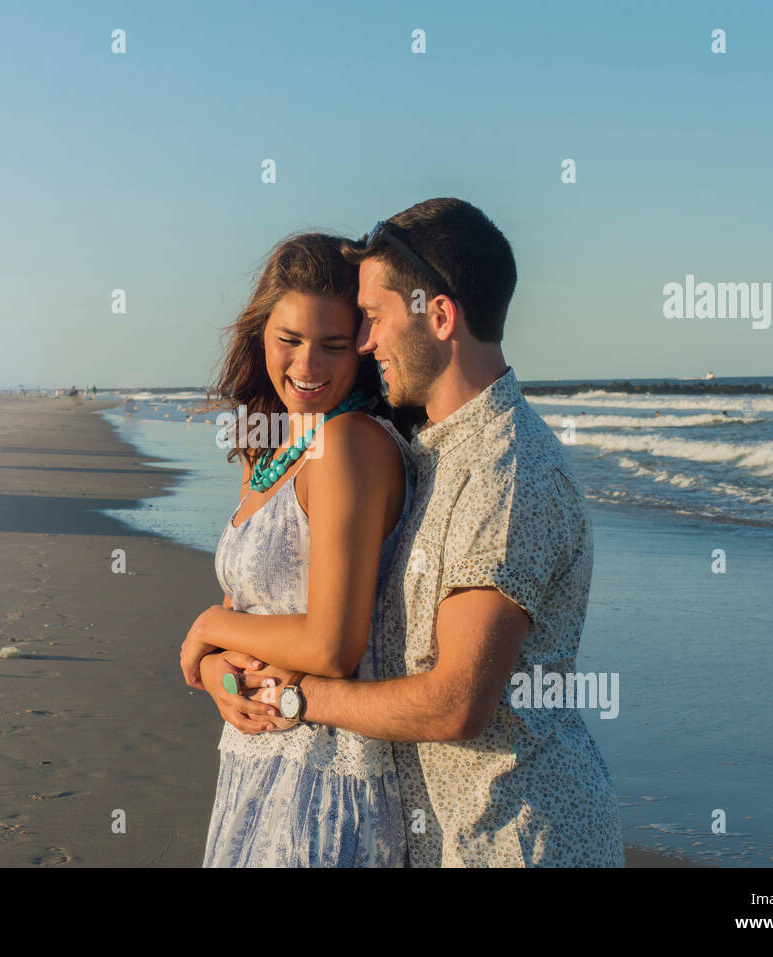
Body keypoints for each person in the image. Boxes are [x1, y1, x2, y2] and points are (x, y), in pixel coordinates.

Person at [200, 198, 625, 867]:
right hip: (444, 835)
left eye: (370, 321)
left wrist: (289, 694)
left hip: (515, 839)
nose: (364, 342)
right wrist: (225, 664)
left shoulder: (505, 475)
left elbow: (455, 704)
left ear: (441, 315)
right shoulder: (430, 447)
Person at [181, 232, 418, 867]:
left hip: (325, 780)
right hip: (254, 766)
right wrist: (213, 671)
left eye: (334, 345)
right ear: (260, 335)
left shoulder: (349, 444)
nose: (308, 366)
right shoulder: (273, 449)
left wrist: (205, 628)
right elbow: (247, 617)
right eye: (289, 340)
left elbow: (330, 645)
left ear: (362, 347)